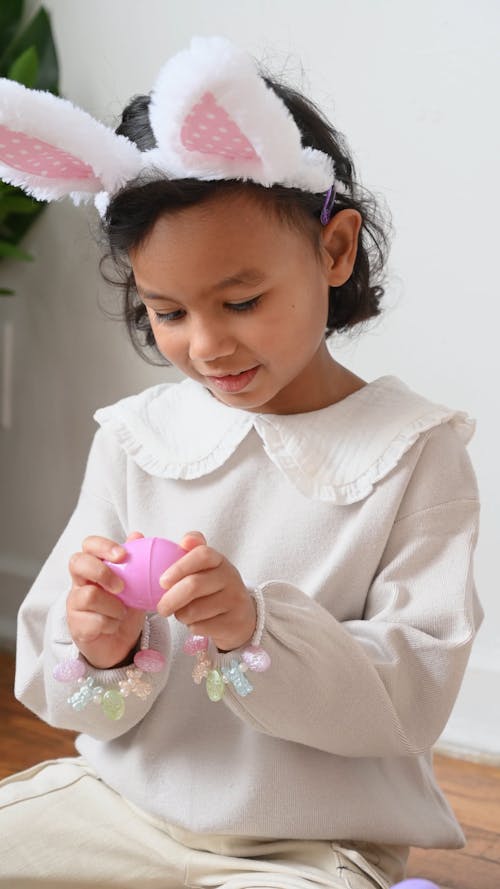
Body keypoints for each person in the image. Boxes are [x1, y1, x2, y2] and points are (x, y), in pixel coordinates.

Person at [0, 36, 483, 889]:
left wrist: (255, 632)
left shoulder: (415, 451)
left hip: (309, 844)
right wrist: (102, 647)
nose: (208, 343)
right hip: (122, 810)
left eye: (243, 300)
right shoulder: (136, 434)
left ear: (333, 252)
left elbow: (415, 689)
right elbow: (53, 678)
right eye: (170, 311)